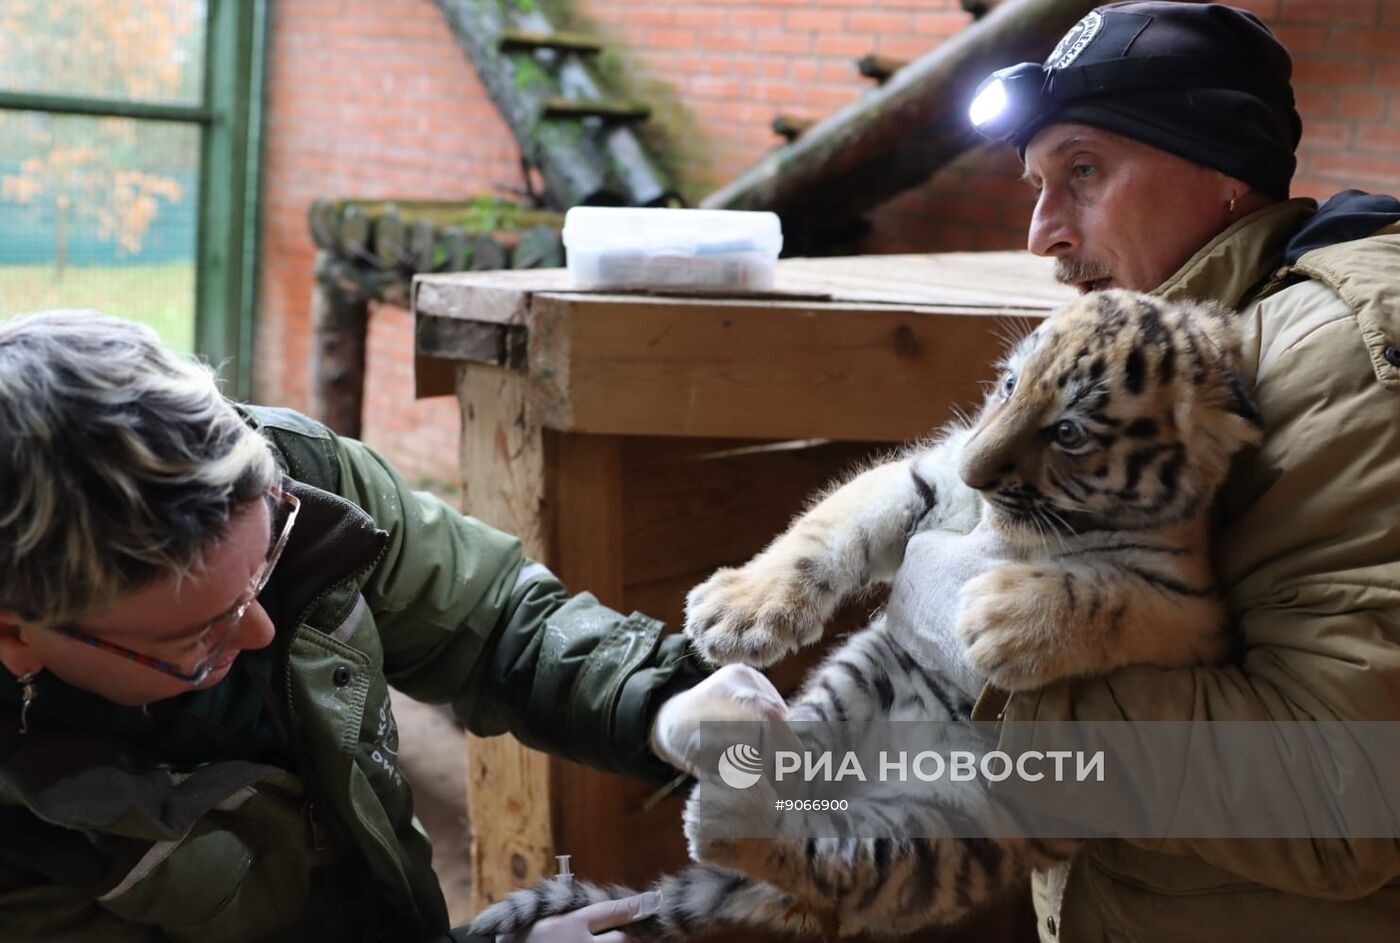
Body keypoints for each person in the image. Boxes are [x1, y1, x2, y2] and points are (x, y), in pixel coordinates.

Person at [0, 308, 774, 942]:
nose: (263, 629)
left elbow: (493, 618)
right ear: (16, 633)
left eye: (268, 561)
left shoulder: (299, 480)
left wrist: (660, 704)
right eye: (196, 637)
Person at [949, 2, 1400, 939]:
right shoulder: (1153, 354)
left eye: (1083, 172)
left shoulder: (1325, 366)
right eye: (1037, 183)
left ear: (1227, 172)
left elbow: (1344, 794)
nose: (1043, 232)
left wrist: (999, 680)